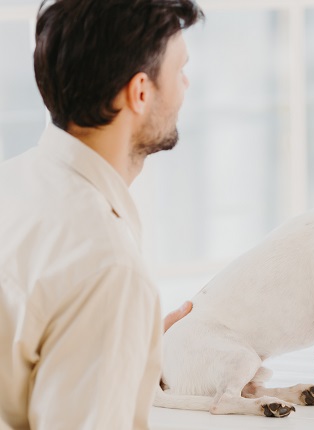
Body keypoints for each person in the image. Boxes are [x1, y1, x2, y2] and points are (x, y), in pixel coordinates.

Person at [0, 0, 203, 428]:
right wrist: (115, 318)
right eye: (180, 69)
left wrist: (124, 346)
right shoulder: (108, 270)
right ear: (141, 92)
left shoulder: (11, 183)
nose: (186, 84)